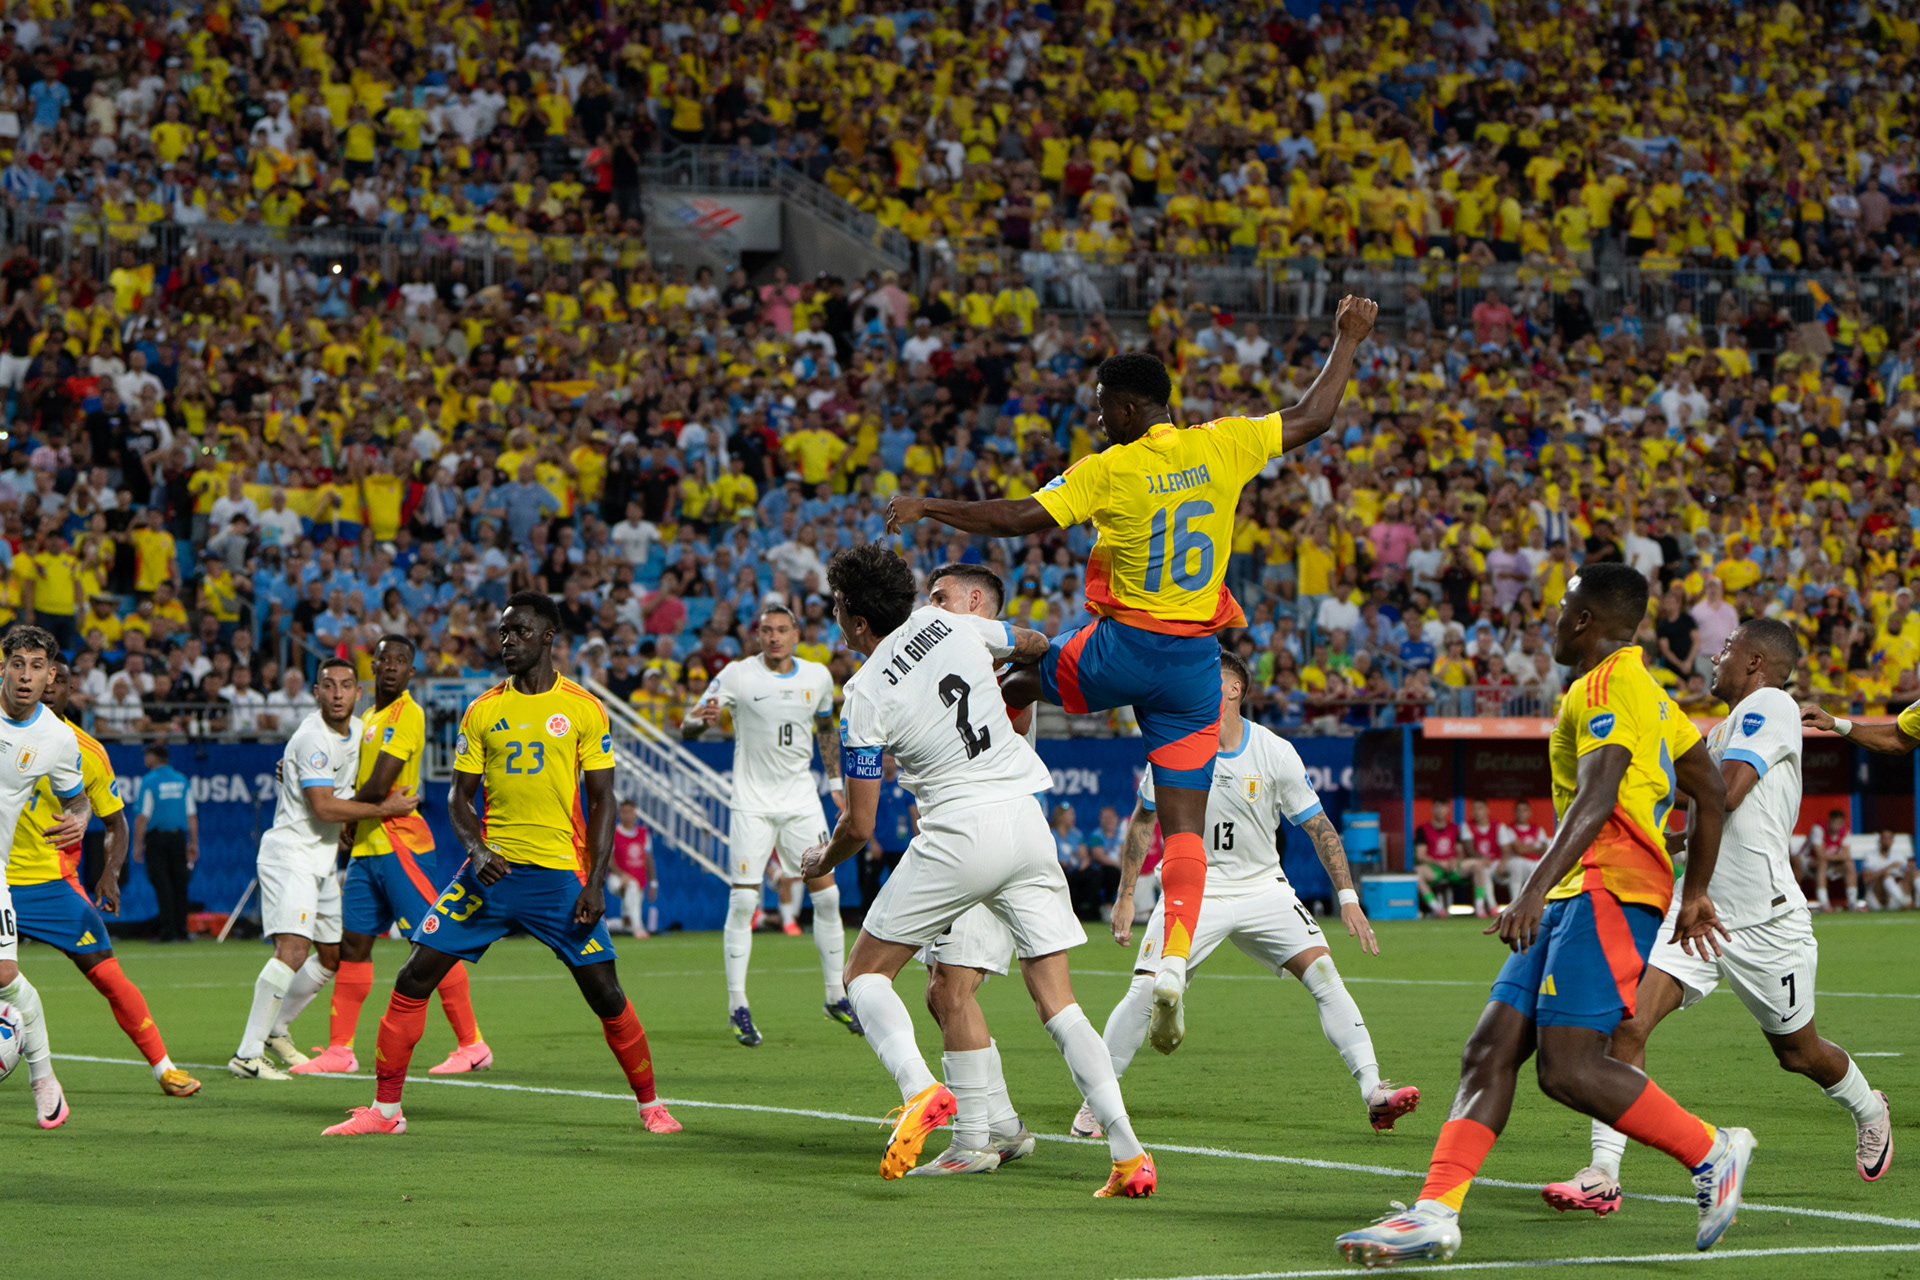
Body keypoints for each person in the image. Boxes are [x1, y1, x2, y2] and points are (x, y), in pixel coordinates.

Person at [888, 294, 1380, 1057]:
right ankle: (1173, 960)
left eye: (1098, 407)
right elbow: (1314, 414)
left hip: (1120, 649)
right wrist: (1348, 337)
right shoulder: (1224, 443)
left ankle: (984, 782)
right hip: (1193, 668)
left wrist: (933, 506)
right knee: (1184, 830)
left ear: (1124, 406)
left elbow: (1022, 516)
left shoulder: (1110, 469)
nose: (1094, 419)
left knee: (1019, 670)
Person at [1336, 563, 1754, 1265]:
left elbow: (1598, 793)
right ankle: (1435, 1213)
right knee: (1487, 1051)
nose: (1553, 620)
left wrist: (1531, 888)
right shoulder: (1650, 692)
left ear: (1584, 621)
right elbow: (1709, 791)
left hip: (1606, 889)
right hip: (1583, 891)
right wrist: (1698, 889)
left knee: (1567, 1067)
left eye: (1561, 609)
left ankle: (1712, 1151)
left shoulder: (1609, 685)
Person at [801, 544, 1154, 1196]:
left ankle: (919, 1090)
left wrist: (818, 862)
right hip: (1025, 820)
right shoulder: (955, 625)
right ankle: (1128, 1154)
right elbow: (1035, 640)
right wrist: (1012, 674)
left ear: (853, 619)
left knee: (865, 976)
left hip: (959, 833)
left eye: (835, 606)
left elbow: (860, 826)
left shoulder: (864, 693)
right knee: (1059, 1003)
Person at [1545, 619, 1890, 1211]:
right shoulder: (1723, 728)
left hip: (1765, 922)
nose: (1715, 656)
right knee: (1626, 1024)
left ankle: (1867, 1107)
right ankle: (1603, 1172)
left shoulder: (1772, 707)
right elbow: (1699, 802)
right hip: (1695, 912)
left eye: (1727, 648)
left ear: (1755, 662)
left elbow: (1722, 795)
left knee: (1798, 1053)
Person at [322, 592, 679, 1136]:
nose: (506, 641)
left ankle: (651, 1105)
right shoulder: (483, 708)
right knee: (414, 975)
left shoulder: (583, 707)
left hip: (559, 878)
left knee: (605, 992)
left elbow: (603, 799)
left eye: (518, 632)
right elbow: (458, 800)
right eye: (502, 633)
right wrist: (477, 850)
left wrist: (596, 883)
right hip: (488, 876)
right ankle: (386, 1112)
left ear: (547, 637)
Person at [1074, 650, 1420, 1138]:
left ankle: (1373, 1091)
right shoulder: (1176, 745)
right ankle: (1096, 1105)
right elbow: (1144, 820)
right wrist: (1127, 893)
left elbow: (1319, 827)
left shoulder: (1275, 751)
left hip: (1264, 887)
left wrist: (1347, 897)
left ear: (1234, 688)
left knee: (1324, 974)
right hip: (1195, 890)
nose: (1192, 683)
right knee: (1146, 989)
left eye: (1206, 676)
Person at [293, 635, 490, 1076]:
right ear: (374, 664)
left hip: (402, 843)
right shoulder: (370, 716)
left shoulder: (408, 714)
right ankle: (340, 1050)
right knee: (354, 945)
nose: (391, 666)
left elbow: (380, 786)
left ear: (411, 673)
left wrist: (346, 815)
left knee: (433, 941)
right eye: (384, 659)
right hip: (368, 847)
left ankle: (472, 1044)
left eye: (401, 661)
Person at [905, 561, 1043, 1174]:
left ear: (978, 602)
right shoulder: (953, 660)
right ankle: (1003, 1124)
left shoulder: (1002, 676)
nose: (929, 608)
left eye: (941, 598)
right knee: (943, 995)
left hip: (986, 847)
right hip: (963, 845)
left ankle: (973, 1141)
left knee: (950, 990)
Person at [6, 660, 199, 1096]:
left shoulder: (85, 750)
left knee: (108, 974)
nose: (45, 685)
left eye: (55, 679)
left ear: (69, 689)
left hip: (51, 886)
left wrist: (110, 873)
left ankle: (164, 1068)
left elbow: (117, 823)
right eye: (37, 675)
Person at [229, 658, 420, 1080]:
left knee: (334, 954)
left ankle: (277, 1029)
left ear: (358, 693)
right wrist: (381, 809)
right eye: (328, 686)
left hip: (321, 859)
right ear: (316, 693)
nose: (337, 694)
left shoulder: (359, 733)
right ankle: (247, 1054)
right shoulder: (312, 738)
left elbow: (346, 787)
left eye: (346, 686)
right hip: (291, 855)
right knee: (294, 950)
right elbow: (323, 805)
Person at [680, 603, 854, 1045]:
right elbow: (689, 724)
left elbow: (825, 729)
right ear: (757, 636)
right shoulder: (738, 675)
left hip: (801, 803)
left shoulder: (816, 676)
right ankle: (737, 1003)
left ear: (796, 634)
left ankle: (836, 995)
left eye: (781, 630)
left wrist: (835, 782)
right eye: (766, 630)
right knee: (743, 903)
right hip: (752, 805)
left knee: (829, 898)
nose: (774, 637)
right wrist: (698, 723)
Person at [0, 625, 93, 1128]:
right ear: (3, 666)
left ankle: (44, 1079)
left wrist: (79, 816)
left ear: (51, 674)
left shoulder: (57, 738)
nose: (26, 675)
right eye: (18, 664)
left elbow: (77, 797)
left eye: (37, 667)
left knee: (4, 976)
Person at [133, 744, 195, 943]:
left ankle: (167, 932)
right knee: (180, 883)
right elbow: (191, 815)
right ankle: (182, 930)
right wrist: (193, 841)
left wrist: (136, 844)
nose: (145, 759)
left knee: (162, 884)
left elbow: (142, 816)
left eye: (147, 755)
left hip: (157, 838)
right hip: (178, 838)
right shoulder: (181, 780)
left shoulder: (149, 781)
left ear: (154, 757)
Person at [1794, 809, 1861, 912]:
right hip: (1807, 862)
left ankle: (1852, 903)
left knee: (1849, 864)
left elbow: (1847, 855)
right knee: (1822, 863)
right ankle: (1824, 904)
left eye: (1839, 823)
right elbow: (1820, 854)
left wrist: (1834, 857)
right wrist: (1837, 856)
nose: (1836, 826)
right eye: (1834, 822)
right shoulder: (1818, 829)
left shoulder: (1845, 832)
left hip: (1829, 864)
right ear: (1829, 821)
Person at [608, 801, 658, 937]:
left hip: (638, 879)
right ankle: (638, 928)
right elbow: (608, 859)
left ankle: (603, 925)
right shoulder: (613, 833)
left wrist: (653, 882)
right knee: (631, 885)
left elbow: (648, 859)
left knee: (627, 922)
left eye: (630, 812)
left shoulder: (643, 834)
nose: (627, 815)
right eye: (624, 812)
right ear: (619, 814)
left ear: (635, 813)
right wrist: (622, 875)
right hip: (617, 878)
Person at [1496, 798, 1551, 895]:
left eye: (1524, 810)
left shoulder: (1538, 829)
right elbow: (1519, 850)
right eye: (1519, 810)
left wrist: (1527, 847)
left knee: (1549, 868)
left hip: (1535, 863)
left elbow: (1545, 849)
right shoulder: (1509, 829)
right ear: (1514, 813)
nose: (1521, 813)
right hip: (1520, 864)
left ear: (1529, 812)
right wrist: (1535, 846)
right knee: (1517, 864)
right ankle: (1515, 901)